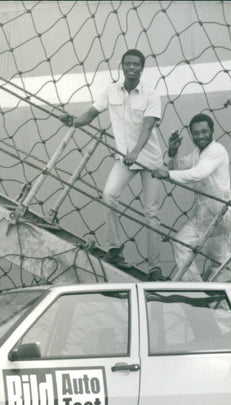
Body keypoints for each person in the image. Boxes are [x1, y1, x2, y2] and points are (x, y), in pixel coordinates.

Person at [66, 49, 164, 280]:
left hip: (148, 160)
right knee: (109, 195)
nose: (131, 68)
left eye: (136, 65)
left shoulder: (151, 95)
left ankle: (155, 268)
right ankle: (115, 248)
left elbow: (148, 127)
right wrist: (73, 121)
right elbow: (91, 113)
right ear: (122, 66)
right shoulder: (110, 91)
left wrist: (136, 152)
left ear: (142, 68)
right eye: (128, 64)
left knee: (151, 212)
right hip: (125, 159)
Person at [152, 113, 231, 281]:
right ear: (191, 134)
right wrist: (172, 151)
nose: (200, 136)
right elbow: (179, 166)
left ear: (212, 131)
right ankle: (199, 290)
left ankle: (210, 294)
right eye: (196, 133)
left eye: (204, 132)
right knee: (180, 243)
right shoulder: (197, 153)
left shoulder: (217, 150)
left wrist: (168, 174)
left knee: (219, 260)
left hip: (220, 213)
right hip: (205, 214)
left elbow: (198, 173)